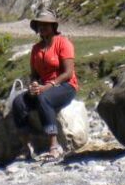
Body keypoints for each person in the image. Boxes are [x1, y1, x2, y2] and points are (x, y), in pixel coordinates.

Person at [12, 10, 77, 162]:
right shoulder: (36, 49)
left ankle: (54, 147)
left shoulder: (63, 43)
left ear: (53, 26)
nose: (43, 28)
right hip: (44, 87)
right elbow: (34, 74)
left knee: (43, 98)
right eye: (40, 25)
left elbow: (68, 73)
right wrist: (34, 84)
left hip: (65, 86)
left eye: (46, 25)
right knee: (18, 102)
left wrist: (48, 86)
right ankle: (26, 146)